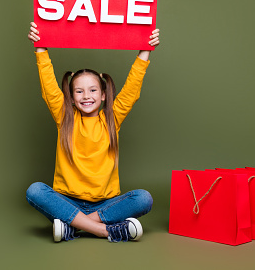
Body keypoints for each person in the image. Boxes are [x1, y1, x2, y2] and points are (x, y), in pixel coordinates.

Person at [25, 22, 160, 242]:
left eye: (92, 90)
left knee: (143, 198)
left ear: (104, 94)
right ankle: (104, 230)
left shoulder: (112, 118)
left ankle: (74, 226)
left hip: (105, 204)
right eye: (79, 91)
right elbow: (48, 85)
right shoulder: (64, 116)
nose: (86, 96)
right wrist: (40, 47)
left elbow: (131, 90)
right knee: (35, 191)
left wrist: (144, 50)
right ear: (71, 97)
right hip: (67, 201)